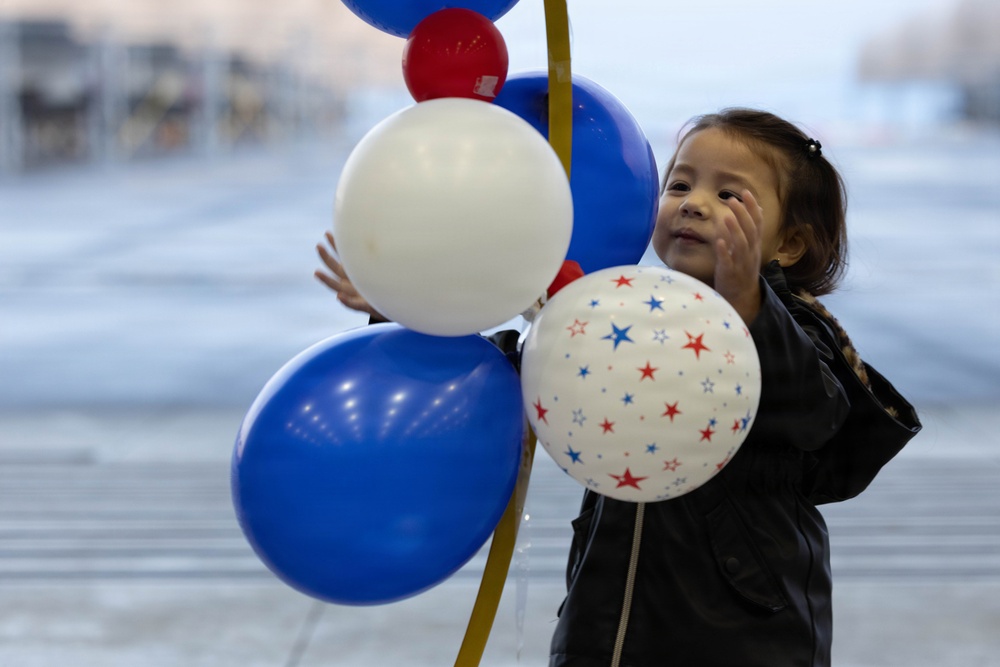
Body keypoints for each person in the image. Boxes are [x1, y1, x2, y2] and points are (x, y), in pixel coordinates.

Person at [316, 107, 922, 667]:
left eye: (728, 194)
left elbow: (816, 412)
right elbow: (521, 370)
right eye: (679, 185)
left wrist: (750, 306)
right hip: (607, 622)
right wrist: (408, 309)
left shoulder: (798, 325)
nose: (694, 204)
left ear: (788, 243)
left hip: (745, 631)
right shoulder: (630, 310)